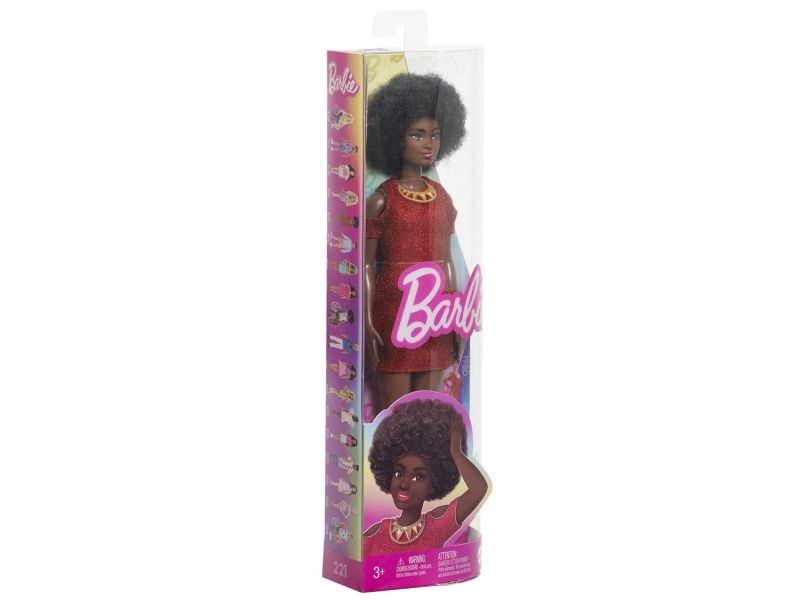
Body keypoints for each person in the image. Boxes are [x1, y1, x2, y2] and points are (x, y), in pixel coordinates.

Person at [364, 73, 467, 412]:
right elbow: (367, 266)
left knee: (427, 413)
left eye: (435, 135)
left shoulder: (442, 198)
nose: (428, 144)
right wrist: (366, 321)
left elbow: (447, 260)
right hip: (394, 313)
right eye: (417, 134)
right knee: (394, 413)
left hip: (434, 315)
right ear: (396, 137)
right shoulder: (382, 200)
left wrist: (454, 314)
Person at [363, 399, 488, 557]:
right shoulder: (376, 534)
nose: (404, 484)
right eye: (398, 473)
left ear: (433, 483)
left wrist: (456, 453)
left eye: (418, 477)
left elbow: (479, 489)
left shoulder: (437, 525)